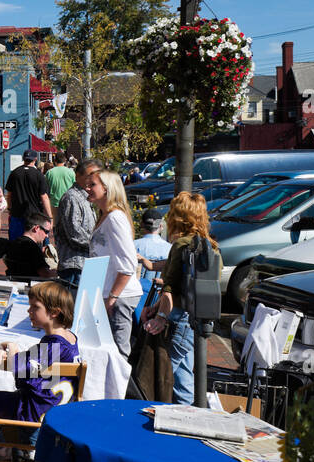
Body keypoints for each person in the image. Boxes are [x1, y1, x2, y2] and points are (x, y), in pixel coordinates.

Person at [0, 280, 80, 446]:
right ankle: (15, 452)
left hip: (36, 414)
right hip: (56, 410)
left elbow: (18, 370)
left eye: (35, 307)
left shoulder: (53, 344)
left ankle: (1, 451)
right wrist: (5, 347)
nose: (29, 311)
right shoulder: (70, 338)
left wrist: (11, 346)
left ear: (54, 312)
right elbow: (34, 360)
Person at [141, 192, 221, 405]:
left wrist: (159, 316)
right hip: (193, 322)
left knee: (159, 378)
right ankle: (199, 421)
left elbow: (169, 288)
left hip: (176, 322)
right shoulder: (211, 247)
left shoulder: (181, 244)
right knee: (183, 381)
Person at [85, 169, 144, 357]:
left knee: (117, 353)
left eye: (92, 185)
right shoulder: (106, 216)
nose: (87, 188)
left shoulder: (115, 218)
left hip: (119, 296)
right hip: (107, 293)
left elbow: (128, 264)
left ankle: (119, 387)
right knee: (107, 351)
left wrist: (112, 297)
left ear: (107, 188)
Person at [53, 158, 102, 287]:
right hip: (75, 265)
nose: (93, 180)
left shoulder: (86, 197)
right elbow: (75, 233)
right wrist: (99, 245)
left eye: (97, 176)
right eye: (90, 175)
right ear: (78, 175)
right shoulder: (72, 197)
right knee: (74, 304)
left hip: (86, 264)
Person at [4, 149, 52, 241]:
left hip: (17, 213)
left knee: (16, 242)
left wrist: (10, 208)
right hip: (34, 215)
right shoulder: (39, 175)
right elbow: (44, 197)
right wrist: (49, 216)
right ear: (35, 159)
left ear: (23, 159)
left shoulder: (15, 173)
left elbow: (9, 194)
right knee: (35, 242)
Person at [134, 207, 172, 288]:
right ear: (161, 226)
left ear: (141, 224)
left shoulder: (133, 245)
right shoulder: (170, 249)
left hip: (136, 293)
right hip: (159, 295)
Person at [45, 151, 76, 218]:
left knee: (55, 224)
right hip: (68, 202)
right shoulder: (71, 172)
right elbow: (75, 187)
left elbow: (46, 188)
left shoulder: (49, 173)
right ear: (65, 161)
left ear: (55, 161)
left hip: (54, 202)